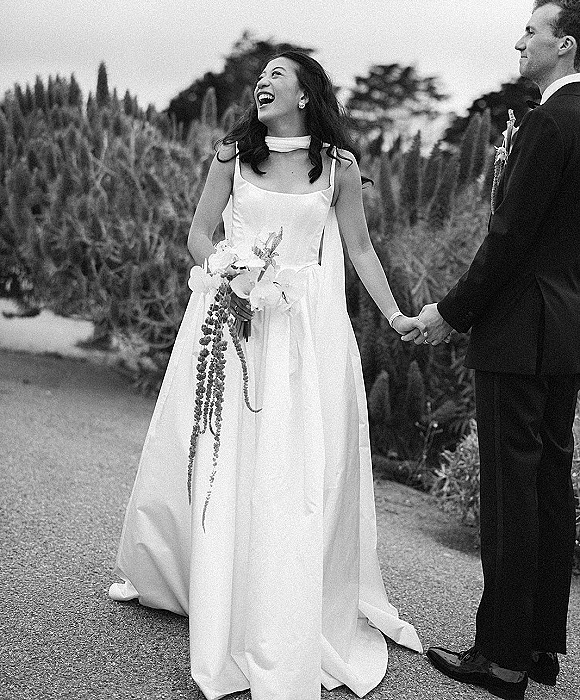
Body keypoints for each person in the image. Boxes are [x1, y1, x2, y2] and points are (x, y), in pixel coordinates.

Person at [109, 51, 424, 700]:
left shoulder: (339, 168)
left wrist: (394, 315)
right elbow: (199, 233)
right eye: (263, 75)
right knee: (223, 454)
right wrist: (230, 271)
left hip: (302, 337)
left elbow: (359, 248)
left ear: (306, 93)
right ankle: (207, 582)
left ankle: (273, 596)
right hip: (228, 319)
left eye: (279, 74)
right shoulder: (231, 156)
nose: (265, 81)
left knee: (286, 466)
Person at [410, 0, 580, 699]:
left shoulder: (549, 123)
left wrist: (450, 311)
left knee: (514, 496)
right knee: (548, 489)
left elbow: (507, 237)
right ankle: (540, 647)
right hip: (567, 331)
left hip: (518, 332)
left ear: (566, 45)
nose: (520, 40)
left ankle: (502, 657)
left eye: (533, 30)